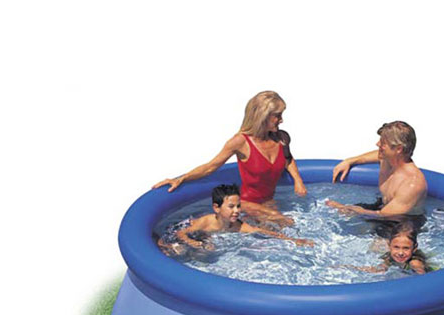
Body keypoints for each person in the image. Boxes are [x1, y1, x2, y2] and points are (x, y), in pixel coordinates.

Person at [153, 91, 306, 226]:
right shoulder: (240, 142)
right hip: (245, 204)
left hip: (268, 201)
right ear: (263, 116)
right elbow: (210, 167)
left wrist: (298, 181)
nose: (281, 120)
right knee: (286, 224)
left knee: (280, 233)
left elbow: (288, 159)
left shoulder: (281, 138)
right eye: (277, 116)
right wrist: (181, 179)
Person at [326, 121, 428, 236]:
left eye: (383, 143)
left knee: (377, 246)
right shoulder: (388, 160)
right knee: (336, 214)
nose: (377, 144)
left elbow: (384, 215)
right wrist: (349, 161)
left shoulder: (412, 184)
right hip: (383, 208)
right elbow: (376, 154)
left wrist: (352, 210)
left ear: (398, 149)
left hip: (402, 221)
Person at [158, 184, 313, 256]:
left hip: (202, 235)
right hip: (181, 230)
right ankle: (161, 243)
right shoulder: (206, 221)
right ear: (216, 208)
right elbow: (180, 233)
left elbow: (262, 231)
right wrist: (192, 242)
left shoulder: (237, 225)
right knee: (177, 251)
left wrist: (294, 240)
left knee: (207, 252)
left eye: (238, 206)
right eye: (231, 207)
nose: (237, 210)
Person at [346, 221, 433, 276]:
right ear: (389, 245)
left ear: (414, 248)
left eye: (406, 248)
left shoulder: (415, 263)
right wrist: (351, 267)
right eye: (396, 247)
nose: (400, 253)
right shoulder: (390, 257)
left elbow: (423, 279)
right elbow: (378, 270)